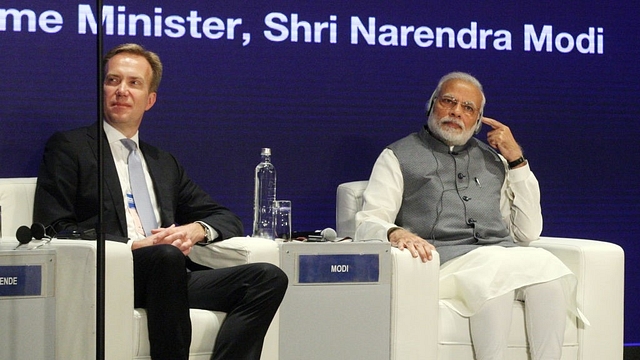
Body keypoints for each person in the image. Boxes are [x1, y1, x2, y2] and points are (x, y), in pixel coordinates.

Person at [34, 43, 288, 360]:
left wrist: (197, 230)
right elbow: (53, 226)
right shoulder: (71, 148)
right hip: (116, 273)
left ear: (150, 99)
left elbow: (224, 217)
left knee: (267, 278)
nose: (121, 91)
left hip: (170, 276)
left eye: (133, 83)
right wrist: (130, 246)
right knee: (165, 255)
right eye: (112, 80)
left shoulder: (162, 162)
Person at [355, 72, 584, 360]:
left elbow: (528, 232)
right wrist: (395, 232)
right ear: (431, 106)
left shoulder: (495, 160)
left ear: (477, 122)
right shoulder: (397, 155)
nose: (455, 112)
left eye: (468, 108)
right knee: (493, 276)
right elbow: (368, 220)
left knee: (547, 275)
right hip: (446, 264)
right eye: (448, 101)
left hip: (498, 259)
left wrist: (516, 160)